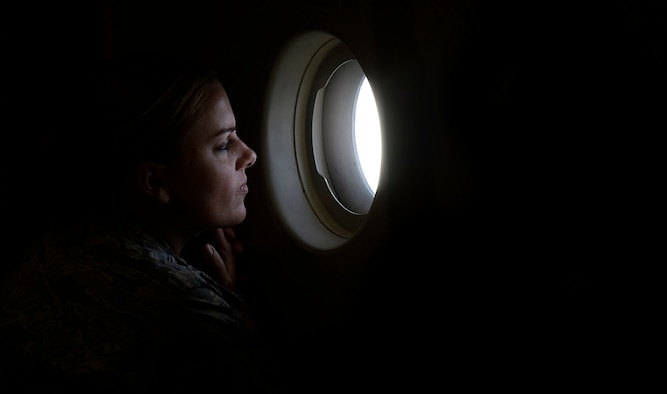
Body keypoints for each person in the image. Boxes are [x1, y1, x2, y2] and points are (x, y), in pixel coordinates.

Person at [0, 54, 271, 393]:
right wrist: (231, 302)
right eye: (222, 145)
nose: (249, 155)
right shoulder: (192, 312)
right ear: (155, 182)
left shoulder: (51, 246)